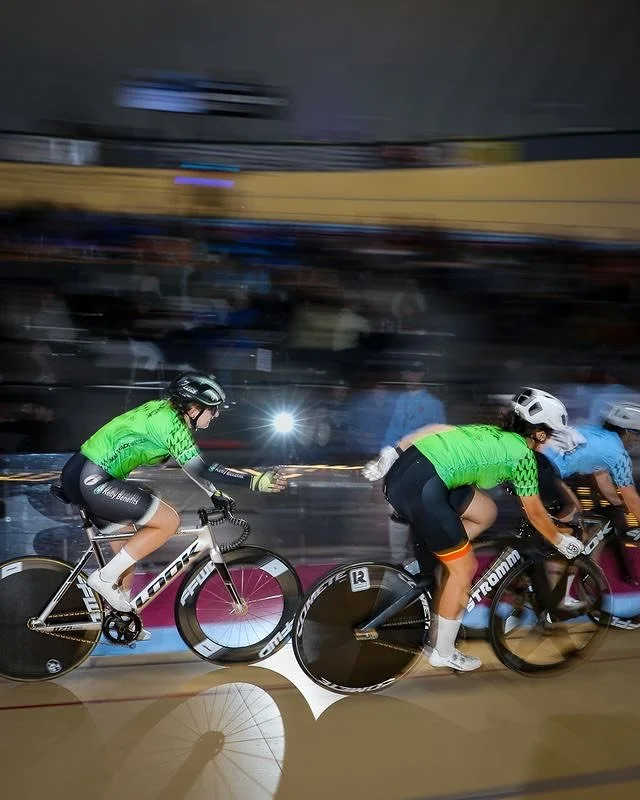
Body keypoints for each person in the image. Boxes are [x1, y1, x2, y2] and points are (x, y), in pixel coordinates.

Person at [362, 387, 583, 672]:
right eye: (550, 434)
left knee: (485, 511)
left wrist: (392, 451)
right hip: (422, 486)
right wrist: (561, 541)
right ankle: (442, 650)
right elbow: (536, 512)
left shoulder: (491, 433)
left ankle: (437, 555)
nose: (550, 441)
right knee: (464, 567)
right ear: (539, 434)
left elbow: (438, 429)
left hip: (410, 472)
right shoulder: (524, 457)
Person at [61, 373, 286, 615]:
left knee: (129, 552)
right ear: (193, 408)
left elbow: (192, 468)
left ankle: (121, 616)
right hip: (93, 479)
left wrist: (214, 493)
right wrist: (253, 481)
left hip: (82, 474)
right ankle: (103, 579)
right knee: (169, 520)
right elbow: (202, 468)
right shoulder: (170, 425)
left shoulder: (165, 412)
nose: (216, 415)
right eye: (212, 409)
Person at [543, 401, 640, 536]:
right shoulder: (618, 454)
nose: (637, 442)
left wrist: (619, 505)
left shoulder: (593, 432)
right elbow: (632, 499)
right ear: (628, 431)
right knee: (573, 513)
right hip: (545, 470)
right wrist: (627, 507)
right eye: (638, 435)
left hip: (540, 464)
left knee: (568, 513)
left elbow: (603, 480)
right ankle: (541, 544)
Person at [382, 360, 447, 563]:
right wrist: (385, 456)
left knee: (420, 512)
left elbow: (442, 435)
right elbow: (392, 429)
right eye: (408, 371)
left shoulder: (434, 404)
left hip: (422, 464)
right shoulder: (399, 400)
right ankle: (398, 561)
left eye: (416, 372)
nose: (411, 376)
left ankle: (421, 560)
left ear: (423, 374)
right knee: (396, 511)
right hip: (399, 463)